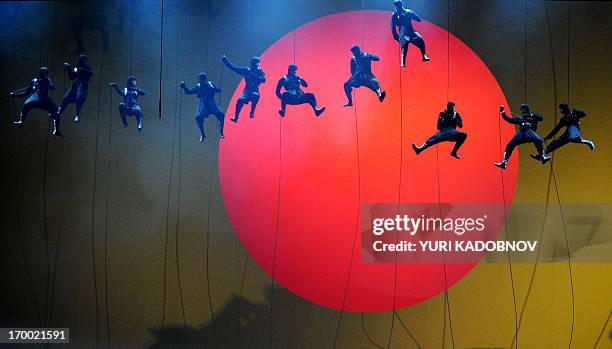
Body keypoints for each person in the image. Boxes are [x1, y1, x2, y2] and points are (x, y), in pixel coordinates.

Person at [10, 67, 63, 137]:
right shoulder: (34, 81)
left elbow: (52, 87)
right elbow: (25, 93)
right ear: (40, 73)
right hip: (36, 98)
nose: (44, 75)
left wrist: (45, 82)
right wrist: (15, 95)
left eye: (45, 74)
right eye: (42, 73)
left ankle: (56, 130)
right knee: (26, 104)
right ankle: (21, 121)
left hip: (45, 100)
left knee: (57, 112)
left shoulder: (47, 80)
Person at [530, 103, 595, 160]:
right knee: (555, 143)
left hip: (574, 128)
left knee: (573, 138)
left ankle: (588, 142)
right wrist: (546, 138)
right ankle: (543, 154)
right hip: (567, 132)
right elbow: (556, 130)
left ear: (564, 108)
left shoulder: (573, 112)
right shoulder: (563, 119)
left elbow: (583, 114)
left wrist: (574, 116)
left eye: (561, 109)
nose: (560, 111)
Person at [495, 104, 549, 169]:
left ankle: (542, 156)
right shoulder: (520, 119)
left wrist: (531, 115)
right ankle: (504, 162)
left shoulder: (533, 117)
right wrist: (502, 112)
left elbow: (541, 118)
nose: (522, 112)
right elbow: (509, 120)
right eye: (521, 111)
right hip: (522, 136)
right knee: (510, 144)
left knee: (534, 136)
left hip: (530, 135)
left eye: (523, 110)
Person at [180, 72, 225, 142]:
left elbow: (218, 90)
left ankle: (221, 131)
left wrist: (212, 88)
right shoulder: (198, 86)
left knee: (222, 115)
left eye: (203, 78)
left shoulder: (210, 84)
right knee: (198, 117)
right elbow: (188, 92)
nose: (202, 80)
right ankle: (202, 134)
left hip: (212, 104)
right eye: (201, 78)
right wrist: (184, 87)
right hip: (204, 105)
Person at [222, 54, 266, 122]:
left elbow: (264, 79)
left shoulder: (260, 71)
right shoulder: (246, 70)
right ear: (253, 64)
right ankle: (236, 118)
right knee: (239, 100)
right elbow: (234, 68)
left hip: (255, 90)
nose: (257, 65)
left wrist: (255, 76)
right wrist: (226, 61)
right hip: (247, 91)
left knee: (255, 95)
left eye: (258, 63)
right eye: (256, 63)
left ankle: (252, 112)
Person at [391, 0, 430, 67]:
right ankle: (403, 62)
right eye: (395, 6)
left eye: (397, 6)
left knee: (420, 40)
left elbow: (418, 19)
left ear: (400, 5)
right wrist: (396, 37)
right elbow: (393, 27)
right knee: (404, 47)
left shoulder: (408, 11)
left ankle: (424, 56)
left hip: (411, 32)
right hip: (402, 34)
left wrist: (411, 15)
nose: (396, 8)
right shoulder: (394, 15)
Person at [56, 54, 94, 123]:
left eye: (83, 61)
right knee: (66, 98)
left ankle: (77, 115)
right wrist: (68, 68)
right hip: (76, 85)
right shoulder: (78, 67)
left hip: (82, 85)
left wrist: (79, 69)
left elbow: (91, 73)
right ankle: (59, 111)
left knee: (79, 98)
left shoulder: (87, 67)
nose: (82, 62)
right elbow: (72, 76)